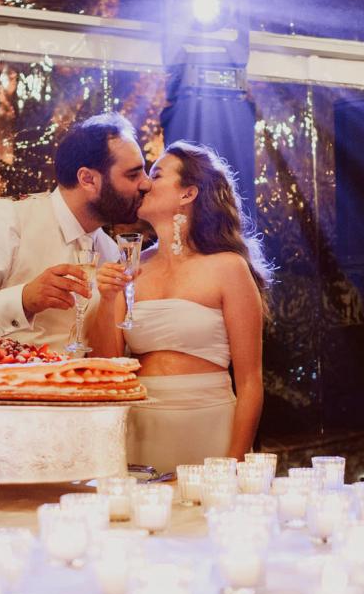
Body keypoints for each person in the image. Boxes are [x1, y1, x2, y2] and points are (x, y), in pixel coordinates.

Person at [87, 142, 269, 472]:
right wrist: (108, 298)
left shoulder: (228, 268)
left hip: (209, 423)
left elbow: (251, 383)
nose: (143, 183)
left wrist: (233, 465)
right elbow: (107, 367)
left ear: (187, 194)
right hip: (143, 424)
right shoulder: (130, 265)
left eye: (156, 174)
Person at [0, 113, 152, 351]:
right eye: (133, 174)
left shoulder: (110, 251)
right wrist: (23, 300)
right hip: (10, 386)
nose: (146, 184)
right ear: (87, 179)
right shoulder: (5, 219)